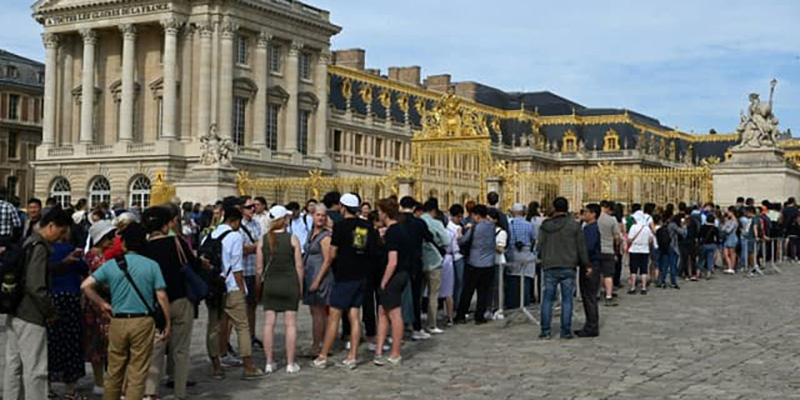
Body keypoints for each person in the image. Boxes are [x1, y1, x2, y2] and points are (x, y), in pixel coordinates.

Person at [81, 223, 171, 400]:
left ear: (123, 243)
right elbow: (161, 295)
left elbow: (85, 285)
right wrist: (167, 322)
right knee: (138, 371)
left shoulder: (112, 265)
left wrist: (102, 304)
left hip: (118, 319)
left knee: (114, 370)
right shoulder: (152, 265)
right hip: (143, 320)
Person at [3, 208, 70, 400]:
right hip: (31, 315)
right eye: (62, 231)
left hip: (14, 309)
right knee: (35, 370)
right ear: (51, 226)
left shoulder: (27, 241)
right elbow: (35, 286)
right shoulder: (39, 247)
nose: (62, 237)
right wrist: (50, 311)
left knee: (13, 367)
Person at [140, 207, 201, 400]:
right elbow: (193, 263)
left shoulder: (144, 248)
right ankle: (179, 392)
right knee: (181, 349)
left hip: (156, 304)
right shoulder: (176, 242)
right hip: (180, 298)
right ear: (166, 225)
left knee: (155, 348)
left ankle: (151, 391)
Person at [313, 194, 380, 369]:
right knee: (355, 316)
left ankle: (322, 356)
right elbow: (366, 248)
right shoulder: (365, 225)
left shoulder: (341, 226)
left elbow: (333, 253)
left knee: (334, 316)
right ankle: (352, 356)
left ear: (343, 207)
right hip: (361, 274)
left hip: (344, 275)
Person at [205, 207, 264, 380]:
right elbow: (237, 267)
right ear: (236, 221)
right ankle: (248, 366)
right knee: (242, 326)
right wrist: (241, 289)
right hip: (230, 286)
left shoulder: (210, 235)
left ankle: (216, 367)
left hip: (214, 288)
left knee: (213, 328)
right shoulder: (235, 236)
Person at [259, 205, 304, 374]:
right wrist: (300, 286)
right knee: (290, 324)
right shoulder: (292, 239)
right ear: (284, 219)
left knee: (269, 324)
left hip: (271, 283)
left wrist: (259, 286)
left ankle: (269, 362)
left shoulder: (263, 239)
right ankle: (291, 363)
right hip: (289, 282)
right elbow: (299, 266)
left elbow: (258, 269)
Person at [538, 197, 590, 339]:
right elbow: (581, 247)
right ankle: (565, 331)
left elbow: (539, 245)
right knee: (567, 300)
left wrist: (544, 256)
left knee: (547, 299)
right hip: (568, 265)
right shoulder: (574, 225)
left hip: (549, 265)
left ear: (554, 208)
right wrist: (586, 264)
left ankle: (545, 331)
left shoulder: (545, 225)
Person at [46, 223, 88, 400]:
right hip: (70, 297)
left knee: (52, 341)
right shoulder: (71, 249)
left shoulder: (47, 250)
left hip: (52, 297)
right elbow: (84, 269)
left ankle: (47, 385)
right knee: (71, 342)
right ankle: (70, 390)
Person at [373, 198, 411, 366]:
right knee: (382, 312)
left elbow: (393, 261)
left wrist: (384, 281)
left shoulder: (393, 232)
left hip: (394, 275)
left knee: (394, 314)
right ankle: (379, 350)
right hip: (401, 273)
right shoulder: (400, 229)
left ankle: (395, 352)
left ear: (385, 213)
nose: (379, 215)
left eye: (380, 212)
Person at [83, 221, 116, 397]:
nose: (113, 240)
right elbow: (104, 283)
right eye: (109, 237)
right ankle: (105, 381)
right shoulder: (99, 259)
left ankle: (99, 382)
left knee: (96, 344)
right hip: (102, 304)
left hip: (90, 304)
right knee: (106, 344)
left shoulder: (88, 255)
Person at [454, 204, 496, 325]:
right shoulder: (492, 226)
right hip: (489, 263)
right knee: (483, 291)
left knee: (468, 290)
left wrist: (460, 234)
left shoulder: (475, 228)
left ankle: (461, 315)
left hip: (475, 262)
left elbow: (463, 241)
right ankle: (479, 316)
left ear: (477, 215)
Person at [399, 196, 433, 339]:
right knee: (415, 296)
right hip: (415, 263)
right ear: (413, 208)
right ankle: (416, 327)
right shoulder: (419, 223)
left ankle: (399, 326)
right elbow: (429, 237)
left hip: (400, 263)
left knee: (398, 297)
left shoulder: (397, 222)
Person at [303, 205, 334, 357]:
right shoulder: (311, 233)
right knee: (315, 312)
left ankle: (317, 346)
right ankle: (319, 343)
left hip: (320, 277)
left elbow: (328, 260)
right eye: (318, 215)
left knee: (319, 313)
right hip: (310, 275)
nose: (320, 218)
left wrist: (317, 280)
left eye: (323, 215)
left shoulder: (325, 236)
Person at [420, 199, 449, 334]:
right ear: (434, 211)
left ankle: (415, 323)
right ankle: (432, 324)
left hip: (419, 261)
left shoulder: (417, 221)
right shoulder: (436, 223)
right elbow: (446, 240)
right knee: (433, 294)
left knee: (417, 294)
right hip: (433, 261)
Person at [239, 198, 263, 349]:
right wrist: (255, 247)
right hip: (241, 271)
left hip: (253, 269)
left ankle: (252, 335)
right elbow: (242, 250)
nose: (253, 209)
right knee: (239, 307)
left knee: (252, 305)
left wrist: (253, 247)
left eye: (254, 206)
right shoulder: (238, 226)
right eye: (249, 207)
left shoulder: (256, 224)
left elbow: (259, 245)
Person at [576, 204, 601, 338]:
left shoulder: (591, 229)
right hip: (591, 264)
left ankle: (591, 326)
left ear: (593, 214)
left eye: (585, 212)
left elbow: (588, 247)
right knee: (588, 296)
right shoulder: (588, 227)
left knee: (589, 296)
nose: (583, 214)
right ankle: (590, 324)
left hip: (590, 265)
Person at [505, 203, 536, 309]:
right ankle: (525, 302)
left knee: (512, 279)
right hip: (526, 252)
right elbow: (533, 239)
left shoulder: (509, 224)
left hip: (512, 253)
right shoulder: (529, 224)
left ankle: (512, 303)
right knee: (526, 279)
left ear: (513, 212)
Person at [597, 201, 621, 306]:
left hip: (596, 250)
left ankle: (597, 293)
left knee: (597, 273)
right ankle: (608, 296)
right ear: (607, 208)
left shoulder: (594, 218)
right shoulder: (611, 220)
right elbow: (617, 237)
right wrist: (616, 250)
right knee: (608, 274)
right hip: (608, 249)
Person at [628, 210, 655, 294]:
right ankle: (643, 287)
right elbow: (651, 239)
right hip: (644, 250)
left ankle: (633, 287)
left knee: (633, 269)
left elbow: (629, 239)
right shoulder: (646, 228)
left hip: (634, 250)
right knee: (644, 269)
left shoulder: (633, 227)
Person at [446, 204, 465, 310]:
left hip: (458, 256)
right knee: (456, 282)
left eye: (461, 217)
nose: (460, 219)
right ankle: (456, 305)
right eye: (458, 217)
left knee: (459, 282)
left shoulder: (460, 226)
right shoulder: (450, 228)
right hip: (455, 256)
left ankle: (457, 304)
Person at [698, 214, 720, 280]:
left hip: (704, 245)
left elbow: (699, 236)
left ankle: (698, 272)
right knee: (710, 258)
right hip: (712, 245)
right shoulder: (715, 228)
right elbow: (717, 238)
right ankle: (709, 272)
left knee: (701, 259)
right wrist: (717, 245)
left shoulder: (702, 227)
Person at [721, 207, 739, 274]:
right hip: (727, 237)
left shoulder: (734, 221)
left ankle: (731, 267)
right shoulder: (728, 220)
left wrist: (726, 228)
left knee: (732, 253)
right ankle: (730, 266)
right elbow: (723, 228)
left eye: (728, 212)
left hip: (732, 237)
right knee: (725, 253)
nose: (727, 214)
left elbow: (728, 230)